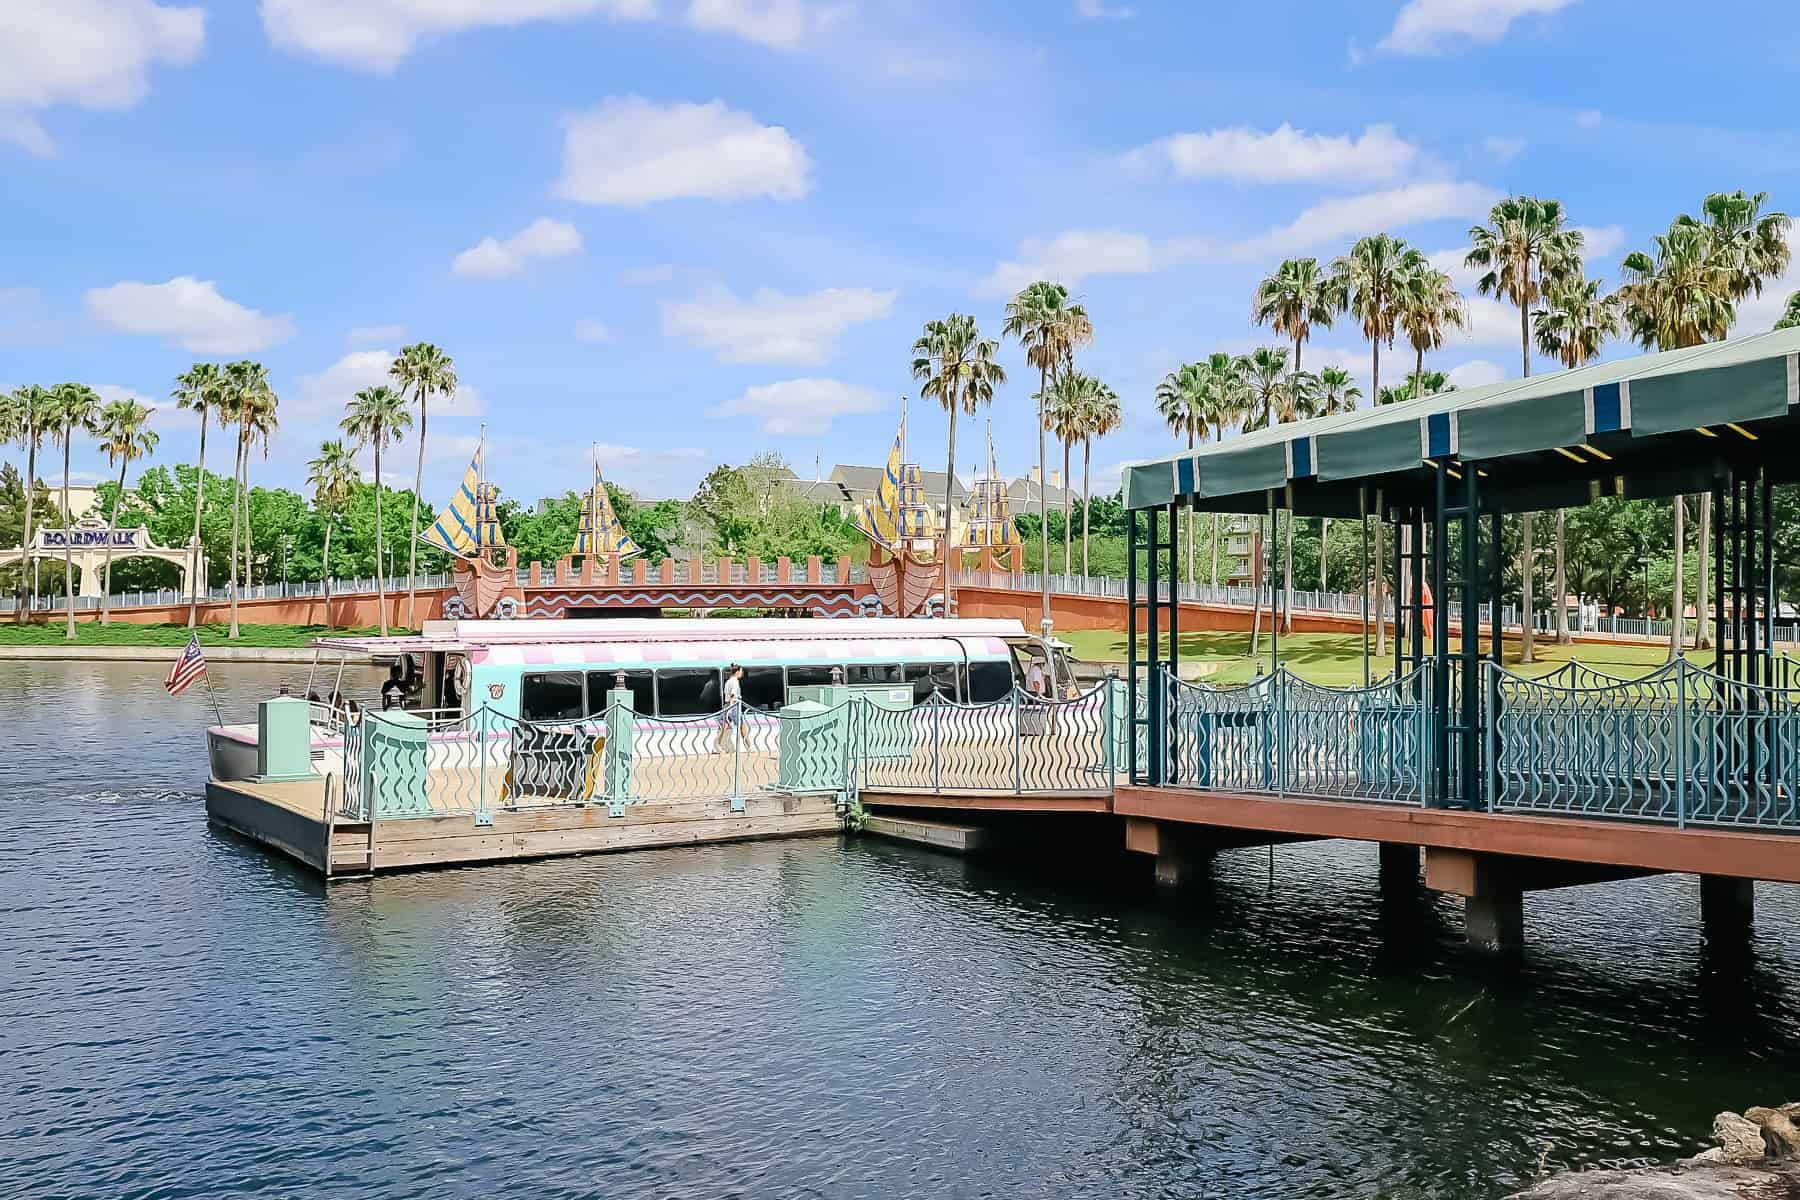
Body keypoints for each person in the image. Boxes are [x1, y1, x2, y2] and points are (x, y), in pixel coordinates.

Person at [716, 664, 750, 753]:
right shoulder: (735, 681)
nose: (742, 673)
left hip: (727, 705)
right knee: (742, 726)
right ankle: (749, 746)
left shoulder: (728, 681)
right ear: (737, 671)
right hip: (734, 705)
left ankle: (718, 745)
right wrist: (731, 708)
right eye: (741, 671)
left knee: (725, 726)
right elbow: (733, 695)